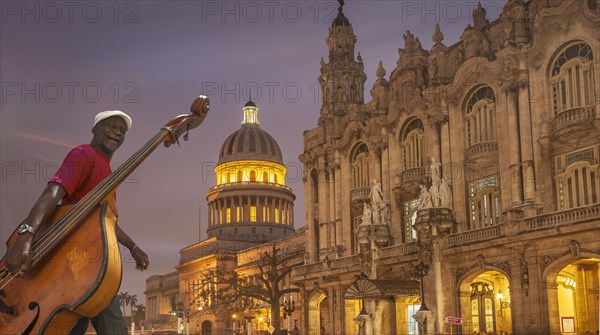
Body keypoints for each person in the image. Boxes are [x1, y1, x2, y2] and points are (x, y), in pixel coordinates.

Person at [6, 110, 149, 335]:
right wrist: (26, 235)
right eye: (111, 126)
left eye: (122, 130)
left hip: (86, 261)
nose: (117, 132)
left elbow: (104, 221)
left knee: (73, 322)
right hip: (76, 262)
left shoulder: (108, 172)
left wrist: (132, 246)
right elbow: (52, 193)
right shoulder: (83, 154)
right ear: (95, 129)